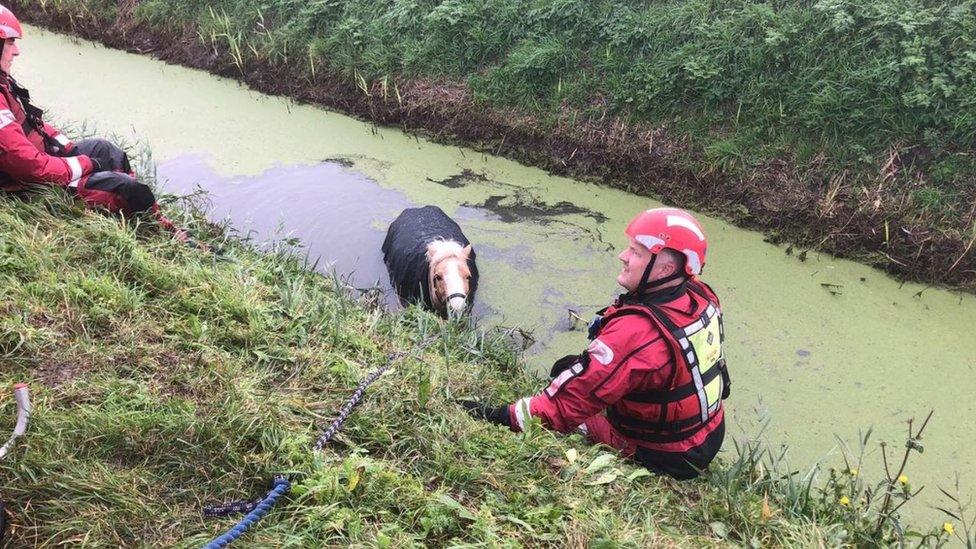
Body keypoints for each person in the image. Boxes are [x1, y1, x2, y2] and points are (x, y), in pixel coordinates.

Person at [461, 207, 730, 479]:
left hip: (667, 455)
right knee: (567, 367)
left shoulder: (635, 333)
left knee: (569, 396)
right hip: (710, 432)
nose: (622, 256)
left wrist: (498, 416)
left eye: (636, 253)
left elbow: (564, 406)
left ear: (666, 269)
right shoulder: (701, 296)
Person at [0, 5, 190, 240]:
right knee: (127, 188)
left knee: (107, 151)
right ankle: (162, 235)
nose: (16, 51)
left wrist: (68, 149)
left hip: (45, 161)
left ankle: (133, 211)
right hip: (31, 185)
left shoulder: (3, 84)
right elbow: (30, 167)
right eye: (10, 43)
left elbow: (32, 124)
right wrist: (84, 164)